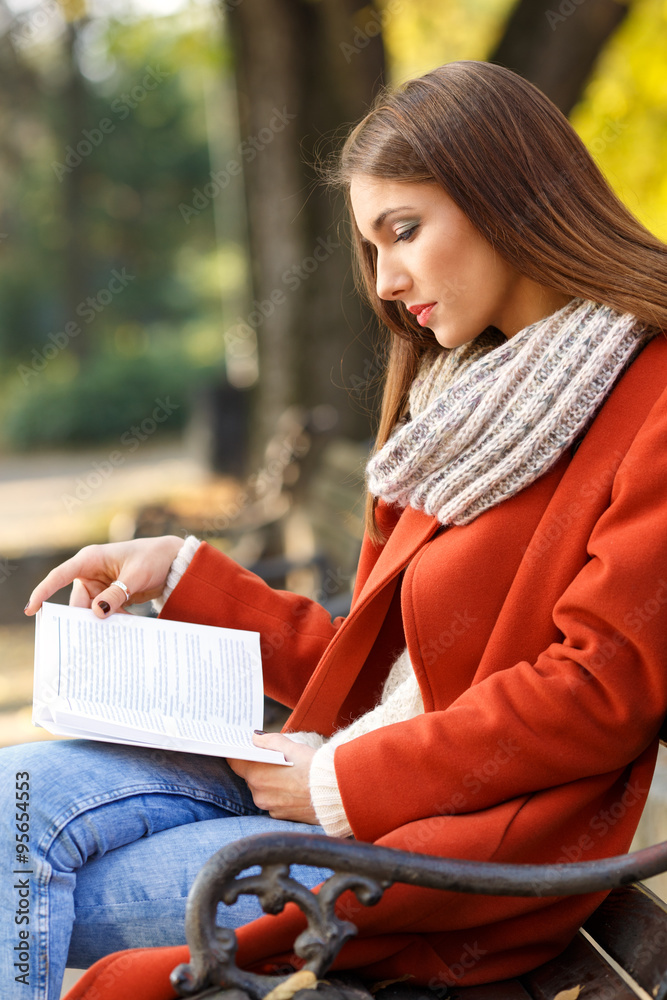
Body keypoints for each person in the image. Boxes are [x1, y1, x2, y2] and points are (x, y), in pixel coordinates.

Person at [4, 59, 667, 1000]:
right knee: (8, 810)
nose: (389, 280)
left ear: (512, 196)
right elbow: (379, 664)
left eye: (405, 230)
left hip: (453, 860)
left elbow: (601, 689)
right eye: (370, 246)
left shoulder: (649, 396)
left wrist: (342, 780)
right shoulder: (459, 398)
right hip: (341, 786)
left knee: (32, 877)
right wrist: (182, 575)